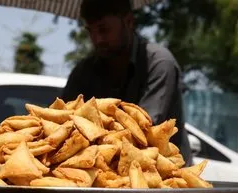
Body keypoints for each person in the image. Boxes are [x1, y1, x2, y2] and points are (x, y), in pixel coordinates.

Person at [61, 0, 193, 166]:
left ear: (129, 22)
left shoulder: (159, 63)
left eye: (104, 29)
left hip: (166, 177)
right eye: (90, 31)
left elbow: (144, 130)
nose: (97, 39)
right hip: (107, 175)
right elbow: (64, 120)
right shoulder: (83, 72)